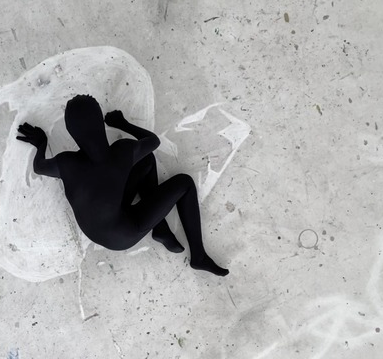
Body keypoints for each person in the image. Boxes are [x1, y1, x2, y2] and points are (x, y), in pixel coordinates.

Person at [16, 94, 228, 276]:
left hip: (99, 228)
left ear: (72, 132)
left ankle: (160, 229)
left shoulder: (66, 163)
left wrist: (41, 143)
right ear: (100, 123)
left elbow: (39, 167)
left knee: (146, 161)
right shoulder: (123, 151)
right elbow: (153, 141)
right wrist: (122, 123)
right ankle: (198, 256)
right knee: (185, 182)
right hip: (124, 234)